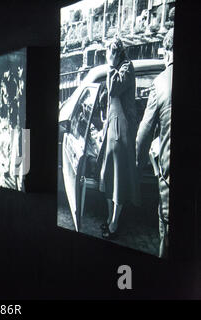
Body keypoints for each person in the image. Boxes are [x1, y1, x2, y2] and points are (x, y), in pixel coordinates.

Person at [136, 29, 174, 258]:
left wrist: (136, 165)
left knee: (167, 236)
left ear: (168, 52)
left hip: (170, 179)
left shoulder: (160, 83)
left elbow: (144, 132)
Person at [98, 37, 140, 239]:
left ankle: (114, 223)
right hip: (113, 127)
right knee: (108, 175)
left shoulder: (126, 68)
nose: (107, 57)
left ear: (115, 52)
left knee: (118, 178)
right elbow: (108, 103)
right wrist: (104, 127)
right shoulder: (118, 68)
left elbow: (114, 89)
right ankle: (109, 218)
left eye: (109, 53)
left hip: (122, 129)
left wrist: (110, 66)